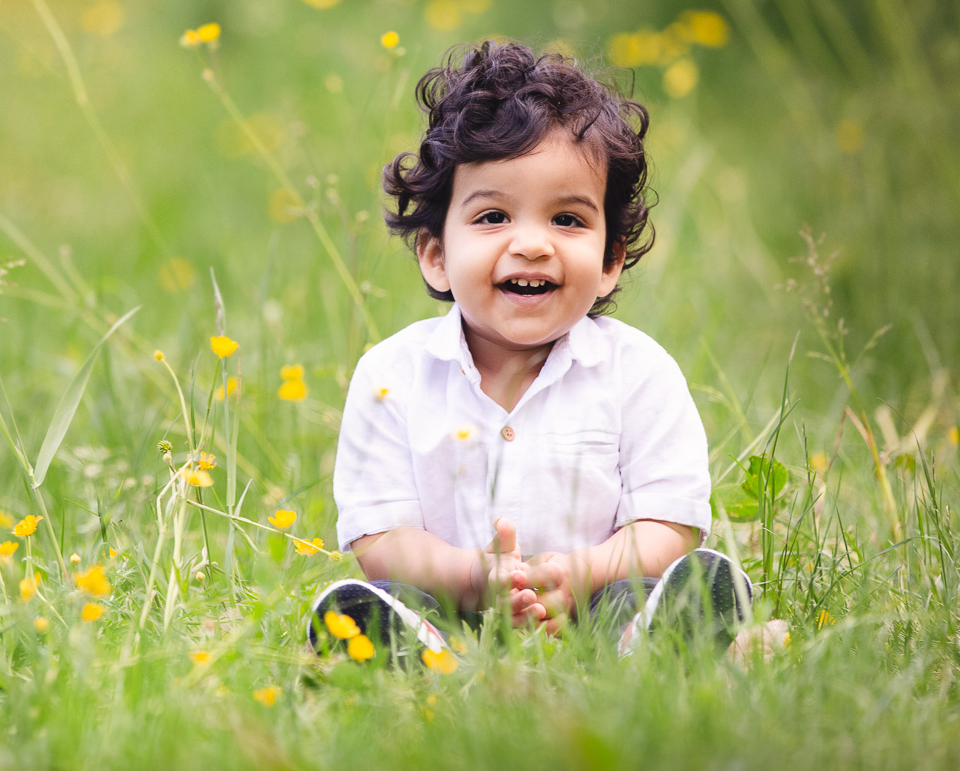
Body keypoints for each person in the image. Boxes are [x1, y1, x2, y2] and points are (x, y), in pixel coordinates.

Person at [311, 42, 762, 663]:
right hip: (448, 605)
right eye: (493, 216)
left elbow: (669, 524)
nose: (532, 245)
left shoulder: (639, 373)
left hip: (600, 597)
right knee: (386, 595)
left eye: (569, 221)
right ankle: (416, 653)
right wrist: (474, 577)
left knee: (642, 593)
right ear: (435, 255)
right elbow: (381, 536)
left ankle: (649, 645)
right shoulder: (392, 376)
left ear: (609, 261)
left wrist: (583, 572)